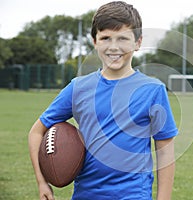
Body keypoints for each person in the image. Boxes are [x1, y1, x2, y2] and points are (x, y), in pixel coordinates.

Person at [28, 1, 178, 199]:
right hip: (85, 194)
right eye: (106, 38)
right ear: (94, 41)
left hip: (134, 194)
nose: (113, 47)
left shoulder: (153, 90)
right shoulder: (78, 88)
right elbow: (36, 131)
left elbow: (165, 151)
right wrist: (42, 182)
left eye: (123, 38)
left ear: (138, 42)